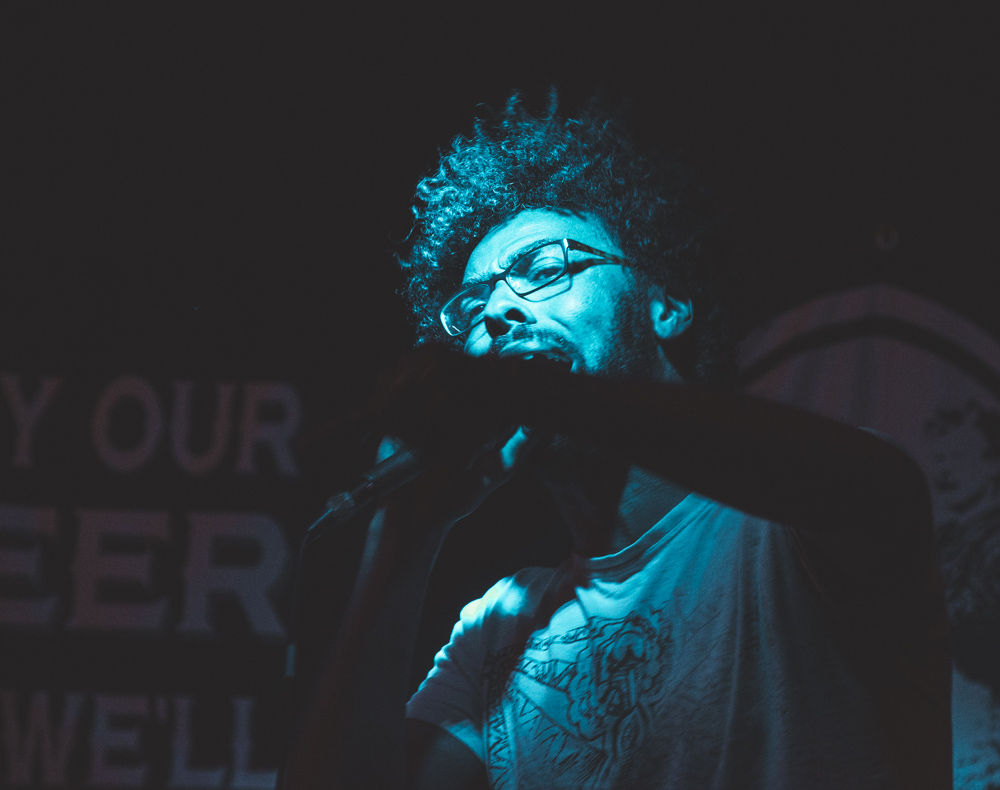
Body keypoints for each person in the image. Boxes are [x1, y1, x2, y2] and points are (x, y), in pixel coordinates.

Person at [282, 92, 952, 789]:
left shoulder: (784, 530)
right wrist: (401, 537)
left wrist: (541, 390)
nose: (500, 309)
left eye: (544, 269)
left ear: (665, 304)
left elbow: (877, 489)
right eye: (473, 308)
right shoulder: (501, 625)